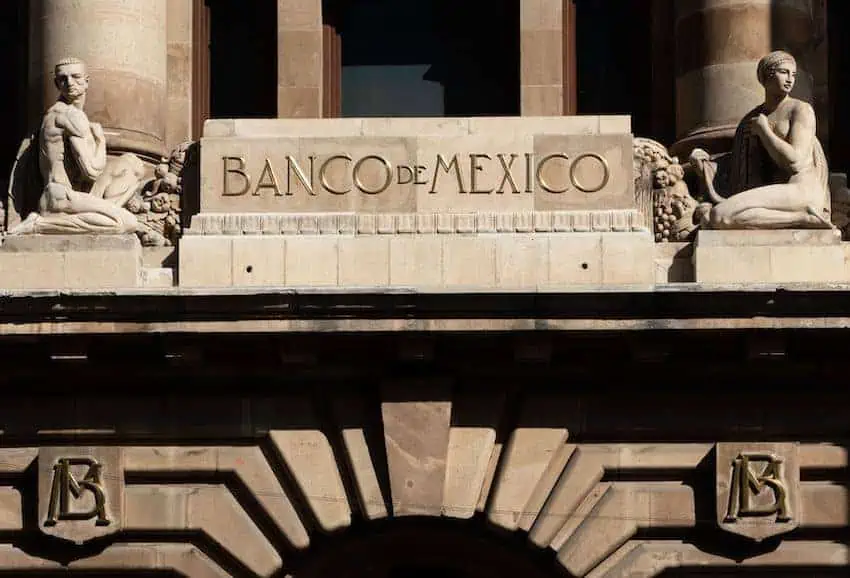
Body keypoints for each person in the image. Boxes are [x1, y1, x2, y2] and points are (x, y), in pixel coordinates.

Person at [690, 51, 831, 229]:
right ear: (767, 76)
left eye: (793, 74)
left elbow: (797, 162)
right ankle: (804, 219)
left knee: (718, 214)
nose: (790, 79)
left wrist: (765, 131)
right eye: (783, 72)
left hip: (802, 189)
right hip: (776, 195)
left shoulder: (801, 109)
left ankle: (809, 215)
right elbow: (739, 162)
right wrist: (707, 165)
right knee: (719, 218)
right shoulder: (752, 118)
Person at [8, 57, 140, 235]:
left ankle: (94, 214)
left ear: (86, 82)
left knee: (132, 167)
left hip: (61, 195)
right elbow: (92, 170)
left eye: (75, 77)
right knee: (126, 223)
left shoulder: (57, 113)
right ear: (56, 83)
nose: (69, 83)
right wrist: (100, 140)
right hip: (60, 197)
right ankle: (38, 225)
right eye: (63, 78)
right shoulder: (69, 115)